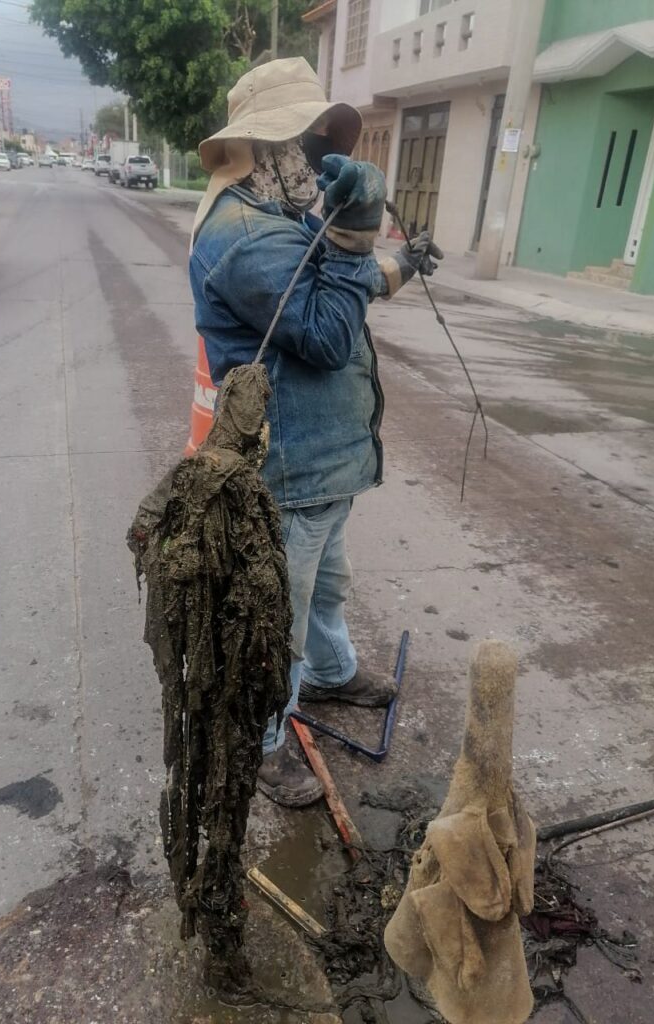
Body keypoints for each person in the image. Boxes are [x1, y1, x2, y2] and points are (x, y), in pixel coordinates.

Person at [189, 57, 442, 808]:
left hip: (325, 467)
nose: (319, 160)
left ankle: (333, 674)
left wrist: (397, 262)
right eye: (306, 143)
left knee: (327, 586)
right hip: (291, 468)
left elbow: (339, 280)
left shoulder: (279, 216)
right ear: (264, 148)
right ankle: (265, 740)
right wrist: (359, 234)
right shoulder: (243, 237)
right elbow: (330, 333)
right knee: (281, 616)